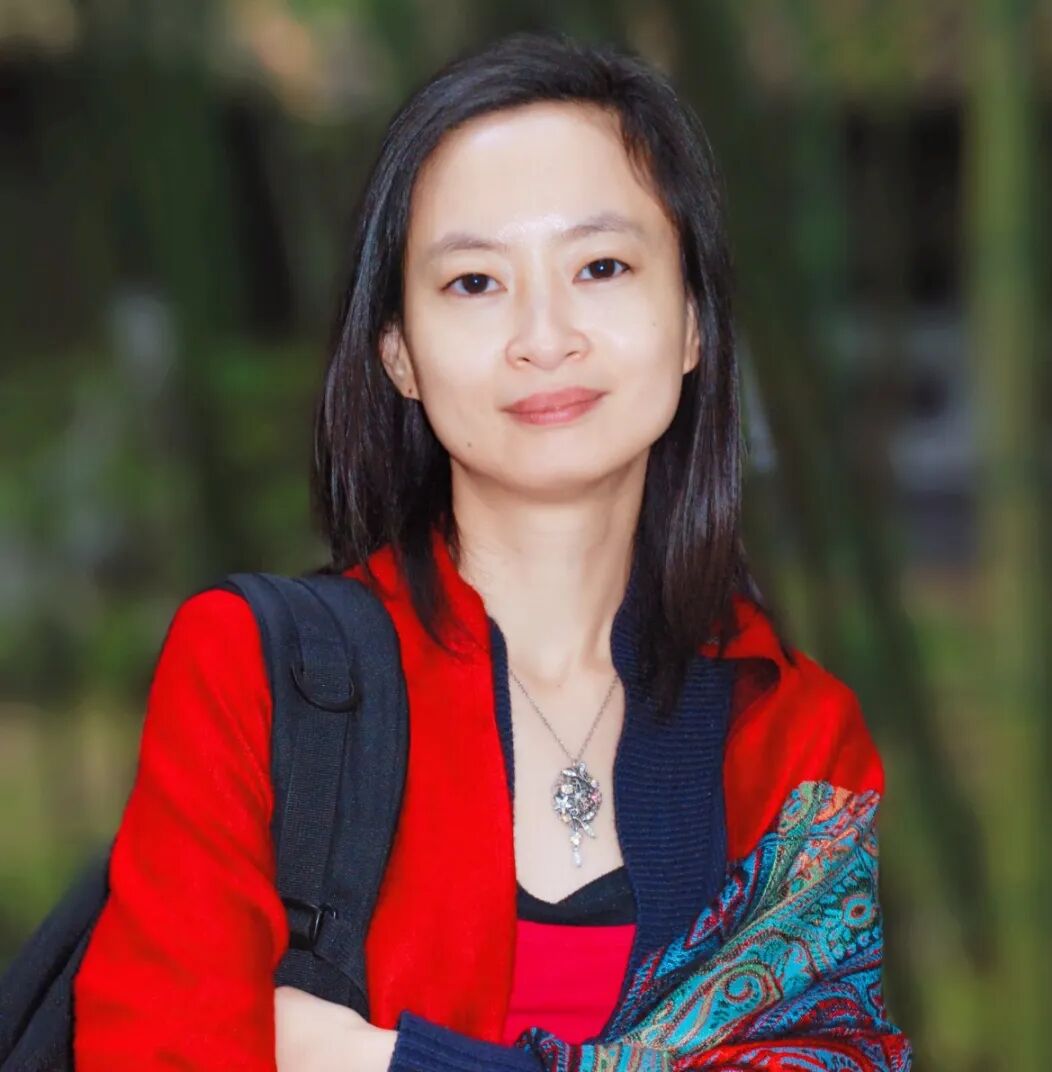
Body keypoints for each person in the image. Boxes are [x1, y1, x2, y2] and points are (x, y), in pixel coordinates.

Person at [72, 30, 911, 1072]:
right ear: (399, 354)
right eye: (474, 282)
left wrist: (383, 1059)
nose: (543, 337)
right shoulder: (255, 675)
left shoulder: (792, 733)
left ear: (694, 323)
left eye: (601, 266)